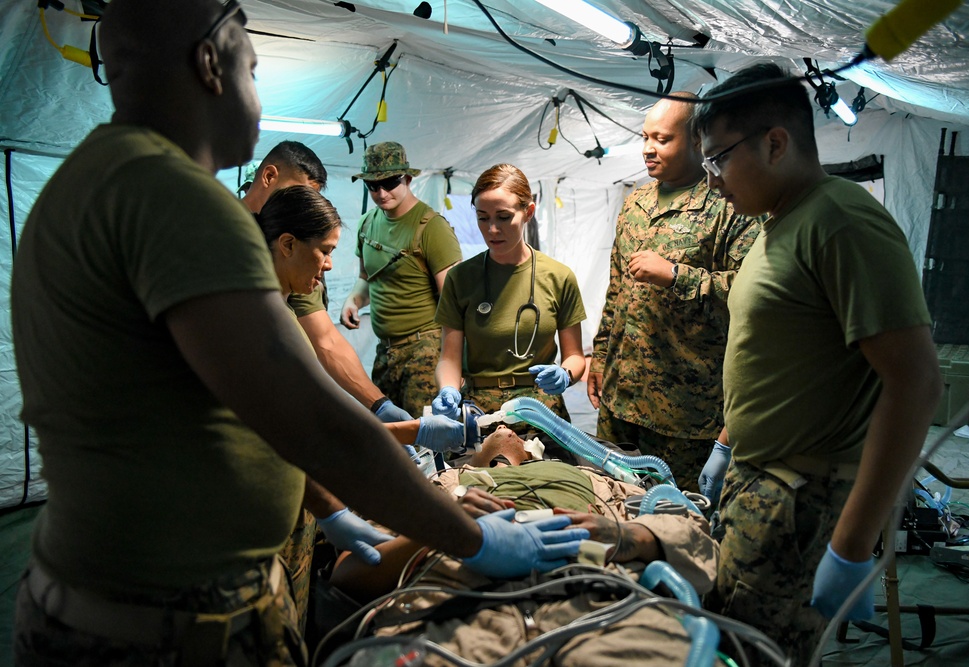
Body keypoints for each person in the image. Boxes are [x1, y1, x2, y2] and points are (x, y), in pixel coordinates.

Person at [9, 1, 586, 664]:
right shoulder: (176, 198)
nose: (256, 94)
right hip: (168, 621)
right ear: (209, 62)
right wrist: (470, 538)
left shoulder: (89, 183)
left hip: (107, 595)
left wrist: (328, 501)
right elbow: (307, 416)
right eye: (251, 68)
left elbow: (238, 406)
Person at [690, 63, 942, 664]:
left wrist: (852, 543)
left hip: (798, 501)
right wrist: (730, 441)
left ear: (775, 143)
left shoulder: (841, 219)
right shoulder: (780, 223)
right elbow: (778, 354)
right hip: (760, 483)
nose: (712, 179)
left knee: (758, 654)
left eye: (718, 158)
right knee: (730, 641)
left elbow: (915, 382)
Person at [317, 424, 721, 667]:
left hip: (597, 604)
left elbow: (697, 540)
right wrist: (449, 528)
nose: (509, 431)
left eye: (521, 435)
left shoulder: (594, 479)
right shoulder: (436, 491)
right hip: (451, 615)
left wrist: (628, 536)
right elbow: (349, 575)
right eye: (497, 431)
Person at [252, 184, 466, 635]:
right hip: (274, 503)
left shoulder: (279, 309)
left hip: (294, 493)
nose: (330, 265)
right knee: (276, 623)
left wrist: (394, 421)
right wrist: (409, 431)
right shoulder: (262, 319)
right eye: (324, 251)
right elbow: (307, 435)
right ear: (287, 244)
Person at [588, 93, 760, 494]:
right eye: (645, 137)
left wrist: (677, 275)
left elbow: (750, 292)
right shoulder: (635, 202)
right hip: (620, 398)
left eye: (662, 139)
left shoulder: (728, 205)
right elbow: (617, 290)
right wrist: (599, 357)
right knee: (614, 506)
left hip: (685, 412)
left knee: (679, 519)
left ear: (697, 141)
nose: (648, 148)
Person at [242, 140, 412, 423]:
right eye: (297, 194)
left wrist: (379, 405)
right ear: (269, 177)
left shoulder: (297, 260)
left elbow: (325, 339)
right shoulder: (222, 238)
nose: (305, 208)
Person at [432, 164, 587, 429]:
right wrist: (447, 388)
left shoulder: (558, 277)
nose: (492, 229)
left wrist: (565, 373)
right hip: (480, 412)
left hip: (541, 409)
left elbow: (576, 356)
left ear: (528, 212)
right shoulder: (461, 279)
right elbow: (449, 357)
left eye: (503, 217)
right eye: (483, 217)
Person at [339, 141, 461, 418]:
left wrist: (454, 363)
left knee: (427, 436)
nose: (381, 193)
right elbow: (366, 276)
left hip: (426, 351)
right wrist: (354, 300)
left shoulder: (432, 228)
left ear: (407, 179)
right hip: (386, 353)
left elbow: (454, 301)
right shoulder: (367, 223)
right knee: (388, 435)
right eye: (372, 185)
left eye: (390, 183)